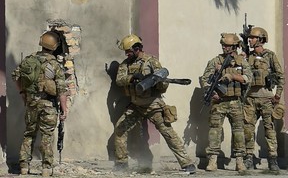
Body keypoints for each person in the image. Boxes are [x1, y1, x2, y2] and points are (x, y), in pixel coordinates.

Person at [114, 34, 196, 174]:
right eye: (125, 51)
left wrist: (155, 82)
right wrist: (132, 77)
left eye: (129, 51)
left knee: (168, 133)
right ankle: (121, 164)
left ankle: (187, 164)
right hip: (135, 105)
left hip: (153, 106)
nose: (126, 54)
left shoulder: (152, 62)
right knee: (120, 130)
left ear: (137, 48)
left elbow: (163, 86)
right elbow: (119, 80)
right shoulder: (125, 64)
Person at [12, 31, 67, 177]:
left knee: (29, 134)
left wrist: (23, 93)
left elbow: (15, 76)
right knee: (47, 136)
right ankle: (46, 169)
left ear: (41, 43)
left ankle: (24, 167)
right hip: (48, 105)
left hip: (31, 104)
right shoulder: (55, 64)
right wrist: (64, 109)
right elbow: (62, 90)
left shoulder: (29, 60)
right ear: (54, 47)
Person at [201, 33, 253, 171]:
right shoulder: (215, 61)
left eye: (228, 46)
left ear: (234, 46)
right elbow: (205, 79)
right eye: (223, 45)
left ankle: (240, 161)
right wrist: (211, 92)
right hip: (219, 102)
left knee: (239, 132)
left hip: (235, 102)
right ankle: (212, 160)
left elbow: (248, 78)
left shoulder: (242, 62)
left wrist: (234, 76)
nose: (225, 48)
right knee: (214, 131)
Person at [243, 27, 285, 171]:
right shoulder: (248, 56)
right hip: (250, 99)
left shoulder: (270, 56)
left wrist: (278, 94)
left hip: (267, 99)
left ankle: (273, 159)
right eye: (249, 38)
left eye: (253, 37)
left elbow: (280, 76)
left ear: (260, 39)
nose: (250, 40)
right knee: (248, 129)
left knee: (269, 130)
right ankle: (248, 157)